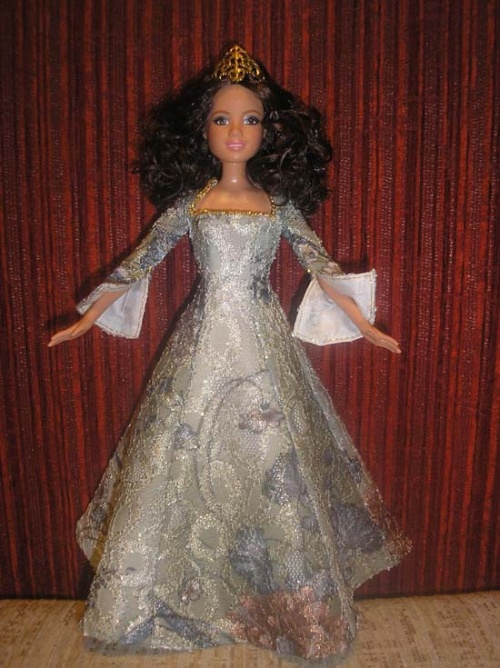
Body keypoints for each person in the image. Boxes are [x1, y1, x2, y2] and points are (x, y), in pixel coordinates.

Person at [49, 45, 410, 666]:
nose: (236, 131)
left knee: (275, 461)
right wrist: (86, 319)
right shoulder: (191, 205)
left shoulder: (279, 207)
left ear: (269, 132)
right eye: (222, 119)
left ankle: (292, 610)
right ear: (202, 131)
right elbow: (138, 265)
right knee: (181, 458)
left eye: (249, 119)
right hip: (202, 342)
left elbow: (322, 268)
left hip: (263, 344)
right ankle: (168, 601)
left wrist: (364, 324)